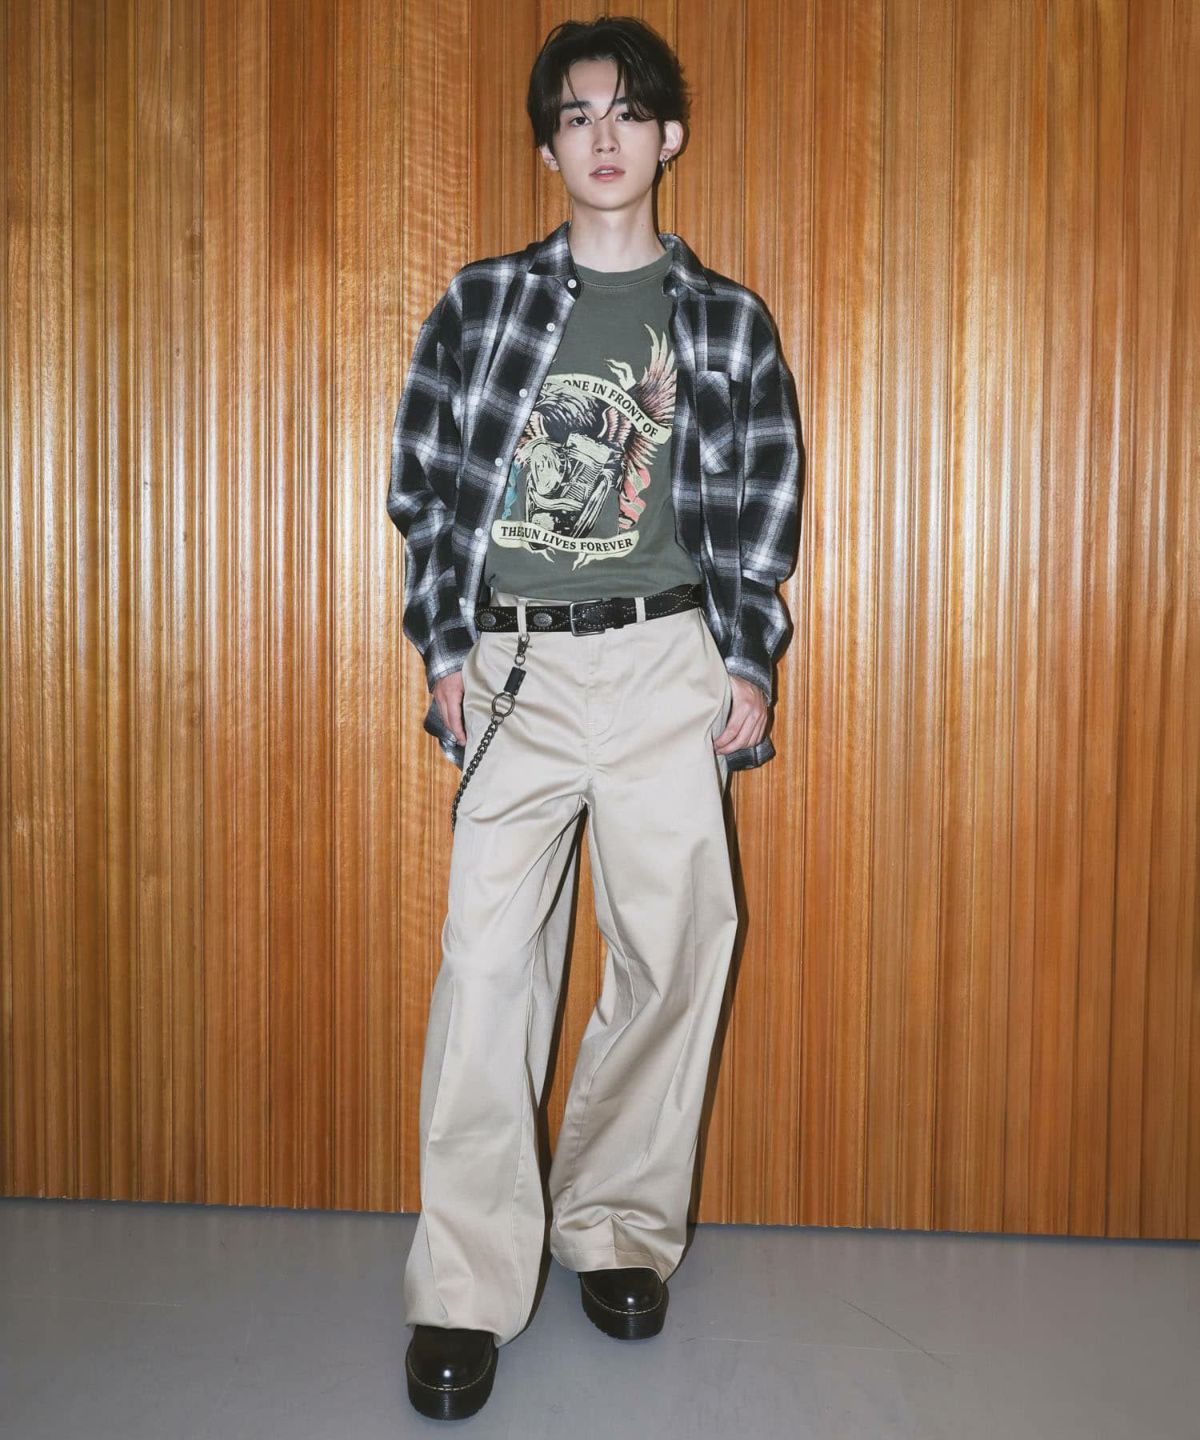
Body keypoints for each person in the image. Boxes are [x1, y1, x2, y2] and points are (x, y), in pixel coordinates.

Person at [386, 14, 802, 1421]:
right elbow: (426, 492)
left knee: (676, 952)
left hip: (668, 660)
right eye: (577, 115)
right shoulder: (482, 304)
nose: (604, 136)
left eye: (628, 112)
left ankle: (614, 1225)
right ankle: (464, 1285)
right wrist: (444, 645)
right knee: (487, 970)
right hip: (517, 669)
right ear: (549, 144)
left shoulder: (727, 322)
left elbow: (758, 517)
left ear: (668, 136)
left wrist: (749, 662)